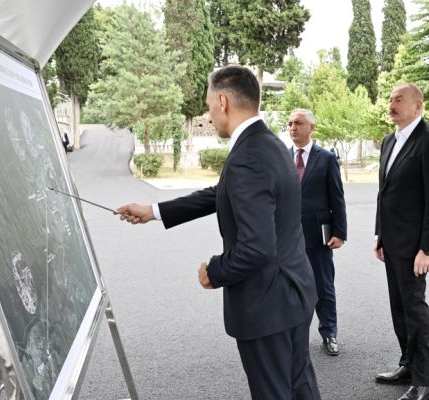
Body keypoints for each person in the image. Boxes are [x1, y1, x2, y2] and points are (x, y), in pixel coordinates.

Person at [117, 66, 321, 400]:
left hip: (268, 303)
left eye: (209, 104)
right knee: (300, 387)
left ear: (223, 101)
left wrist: (215, 270)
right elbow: (221, 193)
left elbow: (257, 248)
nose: (208, 114)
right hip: (293, 292)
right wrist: (153, 211)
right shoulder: (271, 144)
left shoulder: (249, 156)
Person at [373, 83, 429, 400]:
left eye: (399, 99)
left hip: (415, 247)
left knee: (415, 310)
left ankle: (424, 380)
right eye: (390, 99)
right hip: (392, 242)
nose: (391, 104)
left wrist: (427, 249)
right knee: (399, 308)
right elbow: (384, 192)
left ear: (418, 106)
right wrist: (380, 235)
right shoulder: (389, 141)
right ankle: (408, 364)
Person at [288, 109, 347, 356]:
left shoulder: (326, 158)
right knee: (289, 289)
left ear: (311, 127)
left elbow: (337, 197)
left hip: (317, 236)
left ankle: (329, 333)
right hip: (287, 238)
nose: (293, 127)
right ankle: (293, 335)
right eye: (290, 123)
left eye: (298, 123)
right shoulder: (282, 157)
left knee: (323, 287)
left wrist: (340, 233)